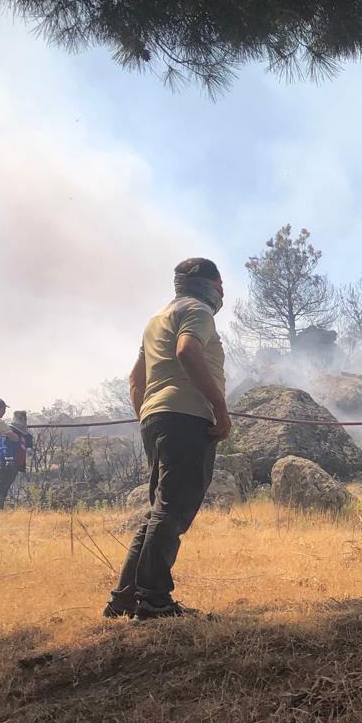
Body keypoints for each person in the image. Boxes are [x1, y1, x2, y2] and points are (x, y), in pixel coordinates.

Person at [104, 257, 231, 619]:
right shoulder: (198, 311)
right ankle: (154, 600)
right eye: (220, 284)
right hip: (187, 418)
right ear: (212, 284)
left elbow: (135, 378)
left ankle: (125, 599)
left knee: (159, 510)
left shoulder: (157, 319)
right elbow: (187, 351)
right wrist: (219, 407)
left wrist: (147, 413)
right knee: (172, 511)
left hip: (157, 418)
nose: (222, 291)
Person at [0, 409, 34, 512]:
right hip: (4, 463)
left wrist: (27, 437)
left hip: (16, 463)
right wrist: (8, 459)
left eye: (24, 419)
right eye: (20, 418)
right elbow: (5, 446)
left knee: (5, 486)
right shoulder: (8, 431)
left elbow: (28, 442)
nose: (22, 421)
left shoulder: (22, 433)